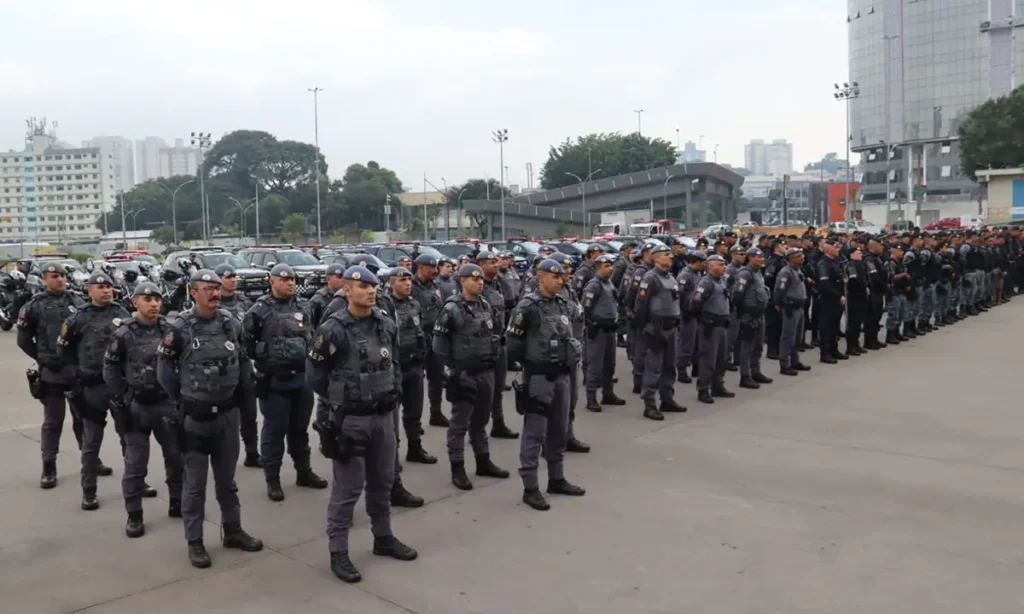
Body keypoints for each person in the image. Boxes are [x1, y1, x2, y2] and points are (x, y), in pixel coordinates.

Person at [307, 265, 418, 583]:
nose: (370, 291)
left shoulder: (385, 323)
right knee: (348, 488)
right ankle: (338, 551)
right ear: (347, 289)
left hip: (383, 417)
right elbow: (315, 376)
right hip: (350, 420)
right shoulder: (333, 329)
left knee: (383, 481)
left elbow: (394, 363)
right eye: (363, 286)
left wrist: (391, 393)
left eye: (373, 287)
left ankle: (383, 538)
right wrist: (337, 408)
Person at [157, 268, 263, 568]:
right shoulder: (180, 328)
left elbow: (242, 363)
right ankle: (195, 541)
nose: (215, 293)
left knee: (227, 480)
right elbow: (165, 373)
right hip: (195, 418)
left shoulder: (231, 324)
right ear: (193, 293)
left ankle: (233, 530)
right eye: (207, 289)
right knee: (195, 484)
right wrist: (183, 402)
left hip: (227, 416)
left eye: (217, 288)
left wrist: (244, 401)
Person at [102, 282, 184, 538]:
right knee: (135, 465)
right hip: (137, 407)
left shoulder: (170, 329)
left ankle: (177, 502)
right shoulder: (123, 333)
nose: (154, 304)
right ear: (135, 302)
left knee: (176, 458)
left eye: (157, 299)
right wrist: (124, 397)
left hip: (165, 404)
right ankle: (134, 515)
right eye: (147, 299)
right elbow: (110, 370)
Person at [243, 263, 328, 502]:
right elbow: (246, 347)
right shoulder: (258, 311)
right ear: (272, 281)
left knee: (300, 430)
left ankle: (304, 472)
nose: (290, 283)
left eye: (292, 279)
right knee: (274, 432)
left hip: (302, 380)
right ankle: (273, 480)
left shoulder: (304, 306)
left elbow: (313, 338)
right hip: (275, 383)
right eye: (284, 279)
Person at [506, 259, 585, 511]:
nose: (560, 280)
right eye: (555, 277)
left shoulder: (562, 303)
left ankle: (556, 478)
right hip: (539, 378)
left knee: (558, 429)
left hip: (562, 376)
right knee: (535, 433)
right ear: (541, 278)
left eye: (562, 277)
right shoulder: (527, 307)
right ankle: (530, 487)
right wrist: (531, 367)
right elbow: (513, 344)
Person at [57, 270, 133, 510]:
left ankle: (135, 483)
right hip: (91, 388)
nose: (106, 291)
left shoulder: (121, 313)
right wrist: (76, 376)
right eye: (100, 287)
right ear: (89, 290)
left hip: (118, 386)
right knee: (91, 442)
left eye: (109, 287)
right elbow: (63, 351)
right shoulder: (78, 318)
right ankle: (89, 490)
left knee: (129, 438)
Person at [432, 263, 510, 491]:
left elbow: (494, 333)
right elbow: (439, 346)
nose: (479, 282)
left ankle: (483, 461)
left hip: (486, 371)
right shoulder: (452, 308)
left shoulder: (485, 304)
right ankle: (458, 468)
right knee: (459, 424)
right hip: (464, 374)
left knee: (481, 421)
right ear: (462, 281)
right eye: (474, 279)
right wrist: (451, 374)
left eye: (481, 279)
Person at [17, 260, 89, 489]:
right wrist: (43, 358)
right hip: (52, 372)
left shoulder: (77, 302)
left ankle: (90, 459)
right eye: (54, 276)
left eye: (62, 276)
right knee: (53, 422)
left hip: (76, 371)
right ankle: (49, 466)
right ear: (45, 279)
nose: (59, 279)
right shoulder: (34, 306)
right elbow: (23, 340)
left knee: (83, 419)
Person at [374, 268, 429, 509]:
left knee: (414, 412)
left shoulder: (414, 304)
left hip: (414, 365)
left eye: (409, 279)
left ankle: (415, 447)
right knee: (391, 424)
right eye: (402, 280)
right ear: (391, 283)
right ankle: (392, 465)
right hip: (395, 367)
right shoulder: (385, 306)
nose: (408, 284)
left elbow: (421, 333)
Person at [213, 263, 262, 468]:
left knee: (249, 412)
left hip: (243, 364)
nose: (233, 280)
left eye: (234, 276)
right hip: (222, 367)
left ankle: (252, 452)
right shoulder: (212, 304)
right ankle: (223, 455)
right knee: (225, 416)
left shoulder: (243, 302)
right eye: (227, 277)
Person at [634, 244, 687, 419]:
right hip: (656, 328)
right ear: (655, 257)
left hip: (671, 327)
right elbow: (640, 306)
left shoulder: (671, 278)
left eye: (671, 255)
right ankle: (649, 404)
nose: (670, 257)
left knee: (670, 366)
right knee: (654, 367)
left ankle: (667, 399)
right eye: (666, 254)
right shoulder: (650, 278)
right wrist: (646, 327)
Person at [477, 251, 519, 439]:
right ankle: (477, 429)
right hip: (484, 345)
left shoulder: (498, 284)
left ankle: (498, 423)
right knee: (483, 390)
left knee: (499, 388)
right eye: (491, 262)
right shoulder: (478, 287)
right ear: (481, 265)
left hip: (500, 341)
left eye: (496, 262)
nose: (496, 265)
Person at [582, 254, 626, 411]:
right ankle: (591, 398)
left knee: (609, 364)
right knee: (595, 365)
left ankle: (608, 394)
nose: (611, 268)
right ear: (597, 268)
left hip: (610, 330)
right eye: (606, 266)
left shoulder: (609, 284)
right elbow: (585, 308)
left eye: (611, 265)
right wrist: (591, 324)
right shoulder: (594, 285)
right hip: (598, 330)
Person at [411, 254, 450, 428]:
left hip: (434, 336)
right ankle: (414, 422)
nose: (434, 271)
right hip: (418, 339)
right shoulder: (410, 286)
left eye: (435, 268)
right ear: (420, 267)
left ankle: (436, 412)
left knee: (436, 377)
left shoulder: (435, 285)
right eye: (431, 268)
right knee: (416, 383)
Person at [689, 255, 734, 404]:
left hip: (722, 325)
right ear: (711, 266)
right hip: (710, 326)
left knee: (721, 359)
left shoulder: (722, 281)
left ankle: (717, 386)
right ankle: (703, 389)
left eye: (724, 264)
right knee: (708, 359)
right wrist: (704, 319)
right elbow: (695, 304)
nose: (724, 267)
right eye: (720, 264)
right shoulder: (706, 283)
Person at [730, 247, 773, 389]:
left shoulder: (758, 272)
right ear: (750, 258)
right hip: (748, 315)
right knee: (747, 347)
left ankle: (756, 371)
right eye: (758, 257)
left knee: (758, 346)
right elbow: (737, 296)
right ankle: (745, 376)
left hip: (759, 314)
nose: (761, 259)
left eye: (762, 257)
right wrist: (743, 314)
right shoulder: (745, 274)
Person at [774, 248, 812, 376]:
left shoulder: (798, 270)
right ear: (791, 258)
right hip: (790, 307)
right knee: (788, 337)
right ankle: (784, 364)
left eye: (802, 254)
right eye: (798, 255)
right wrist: (779, 304)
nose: (802, 257)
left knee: (797, 337)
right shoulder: (786, 272)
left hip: (800, 307)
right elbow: (779, 290)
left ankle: (795, 361)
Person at [676, 250, 706, 383]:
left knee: (698, 342)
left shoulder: (698, 273)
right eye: (703, 262)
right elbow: (679, 295)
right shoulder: (685, 275)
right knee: (686, 343)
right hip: (687, 314)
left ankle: (696, 367)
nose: (705, 264)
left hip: (697, 312)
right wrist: (685, 310)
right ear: (696, 262)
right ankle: (681, 370)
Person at [815, 239, 847, 363]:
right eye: (835, 247)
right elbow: (825, 284)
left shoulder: (835, 262)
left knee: (834, 326)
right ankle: (825, 353)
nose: (838, 249)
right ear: (828, 249)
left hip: (836, 300)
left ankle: (834, 350)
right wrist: (838, 296)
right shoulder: (823, 264)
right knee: (826, 327)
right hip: (828, 300)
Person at [862, 238, 888, 350]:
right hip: (873, 292)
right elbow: (874, 276)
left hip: (878, 291)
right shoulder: (869, 259)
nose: (882, 248)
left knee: (877, 316)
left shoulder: (877, 258)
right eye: (880, 246)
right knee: (871, 317)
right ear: (874, 246)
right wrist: (884, 287)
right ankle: (869, 341)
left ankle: (874, 339)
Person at [844, 245, 868, 355]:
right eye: (858, 253)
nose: (861, 255)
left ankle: (856, 343)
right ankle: (851, 346)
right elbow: (853, 281)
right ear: (851, 255)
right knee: (853, 322)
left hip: (861, 295)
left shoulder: (860, 265)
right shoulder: (851, 265)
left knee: (858, 321)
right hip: (854, 296)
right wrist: (863, 287)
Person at [308, 262, 347, 329]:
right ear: (328, 279)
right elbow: (311, 323)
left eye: (344, 277)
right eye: (339, 277)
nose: (343, 280)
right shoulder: (318, 299)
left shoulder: (347, 296)